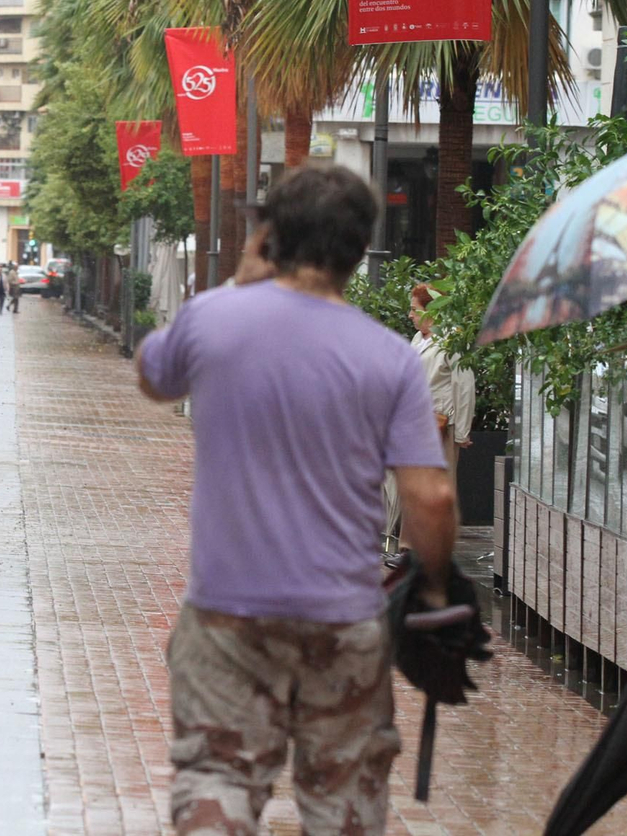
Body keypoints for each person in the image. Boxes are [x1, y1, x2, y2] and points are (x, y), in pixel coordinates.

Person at [136, 166, 458, 835]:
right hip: (340, 615)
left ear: (269, 237)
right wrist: (433, 582)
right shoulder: (390, 357)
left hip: (227, 610)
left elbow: (153, 375)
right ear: (359, 249)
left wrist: (235, 285)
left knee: (218, 779)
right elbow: (429, 495)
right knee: (343, 800)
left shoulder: (214, 319)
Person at [383, 283, 476, 545]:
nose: (410, 315)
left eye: (414, 309)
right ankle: (408, 547)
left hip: (439, 424)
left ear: (430, 310)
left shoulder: (452, 340)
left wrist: (462, 431)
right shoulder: (418, 339)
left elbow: (464, 384)